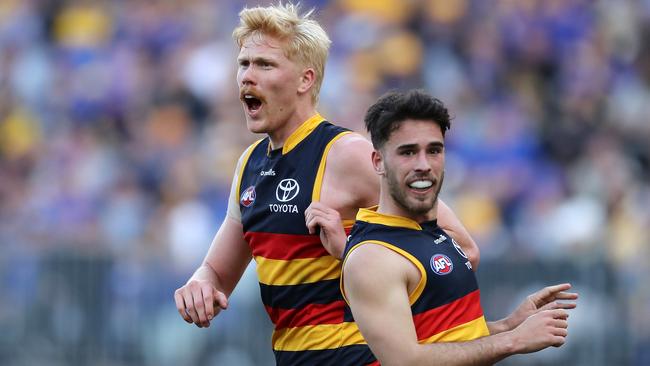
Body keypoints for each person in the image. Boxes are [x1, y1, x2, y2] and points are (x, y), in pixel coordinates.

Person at [174, 4, 478, 365]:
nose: (247, 77)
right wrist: (200, 284)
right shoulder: (249, 165)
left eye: (265, 65)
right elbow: (217, 273)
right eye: (244, 64)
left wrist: (351, 251)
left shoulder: (346, 155)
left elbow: (462, 252)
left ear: (305, 79)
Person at [340, 89, 579, 365]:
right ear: (378, 162)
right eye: (407, 152)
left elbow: (445, 338)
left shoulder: (431, 231)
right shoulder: (372, 257)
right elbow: (407, 361)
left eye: (434, 150)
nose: (423, 165)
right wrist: (513, 340)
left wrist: (509, 324)